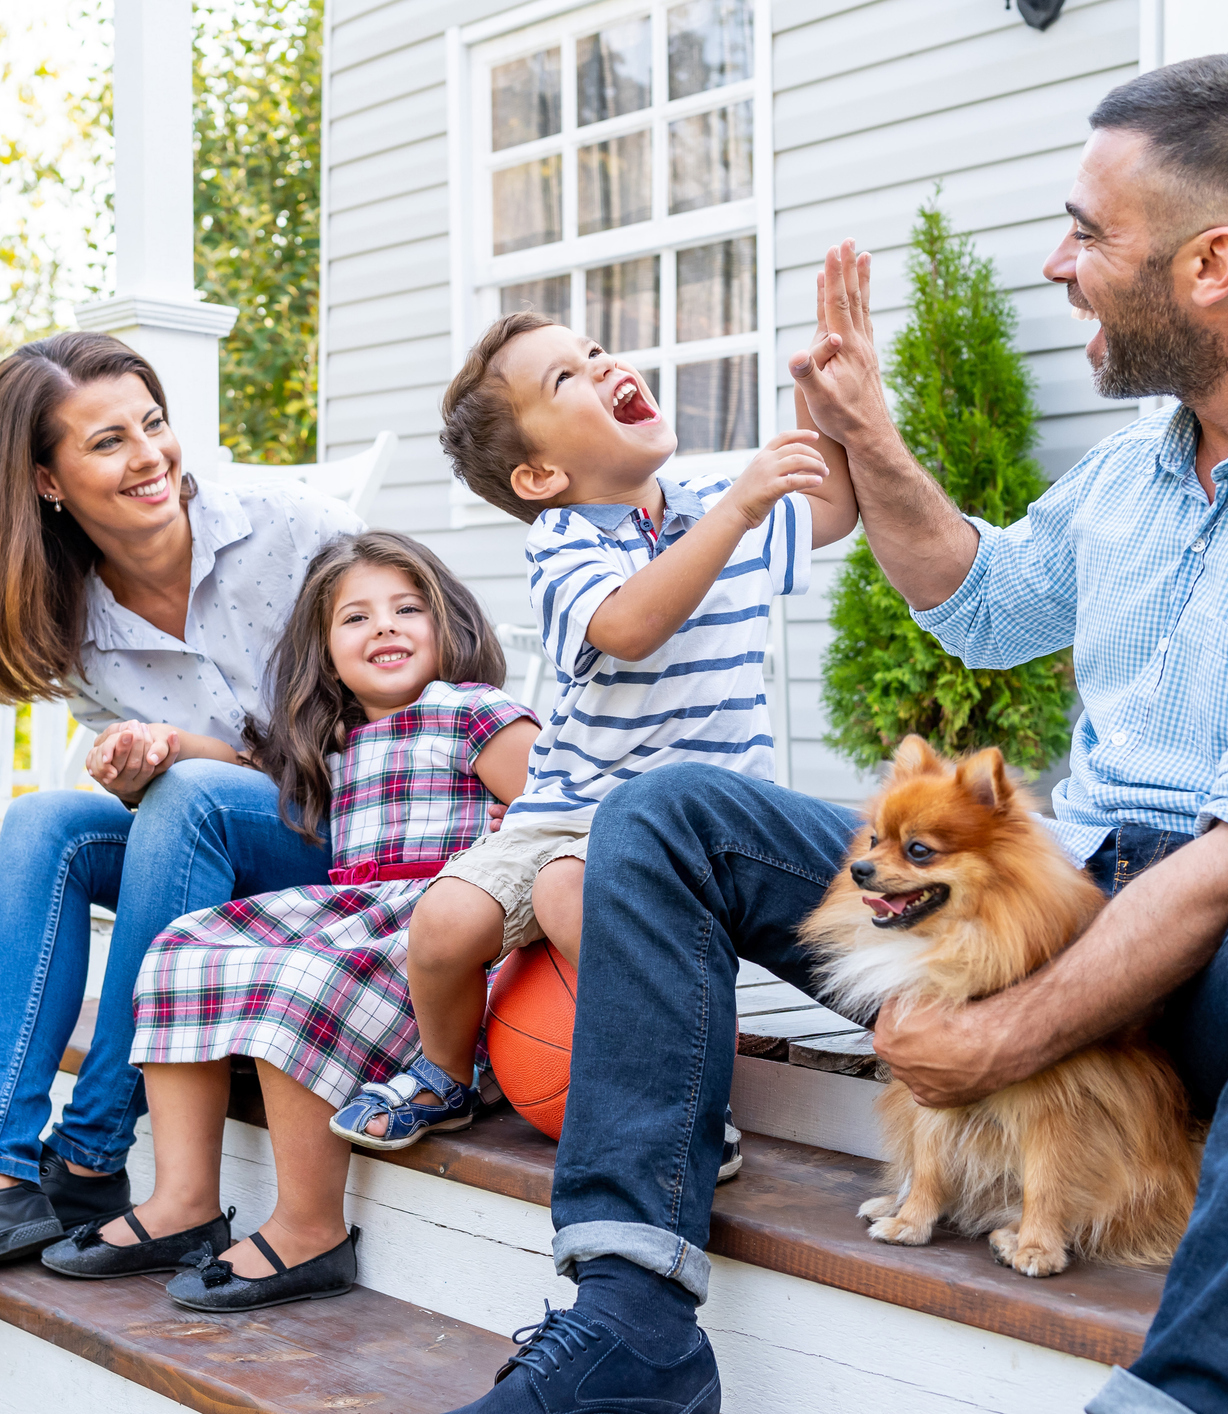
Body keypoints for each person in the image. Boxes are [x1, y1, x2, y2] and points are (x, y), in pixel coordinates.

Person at [438, 55, 1228, 1414]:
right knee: (669, 808)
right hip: (1059, 901)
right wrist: (867, 429)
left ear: (1211, 263)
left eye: (1089, 233)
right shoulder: (1152, 461)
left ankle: (1200, 1392)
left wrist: (998, 1035)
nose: (1055, 264)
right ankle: (627, 1312)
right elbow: (977, 598)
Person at [0, 331, 362, 1302]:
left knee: (186, 797)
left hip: (354, 829)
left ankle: (95, 1147)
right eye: (108, 442)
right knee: (46, 826)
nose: (150, 456)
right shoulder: (76, 623)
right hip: (218, 847)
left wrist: (185, 762)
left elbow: (413, 703)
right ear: (48, 480)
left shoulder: (293, 529)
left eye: (153, 424)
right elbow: (173, 821)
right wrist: (139, 766)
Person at [327, 316, 860, 1154]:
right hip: (565, 807)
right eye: (565, 379)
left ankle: (677, 1093)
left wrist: (824, 405)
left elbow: (832, 507)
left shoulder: (718, 498)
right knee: (440, 926)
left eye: (592, 353)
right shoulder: (565, 540)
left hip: (689, 824)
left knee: (571, 897)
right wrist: (740, 509)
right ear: (541, 475)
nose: (602, 363)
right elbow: (627, 624)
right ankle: (444, 1074)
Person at [36, 532, 537, 1311]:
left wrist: (511, 838)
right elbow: (242, 768)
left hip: (442, 949)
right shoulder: (336, 742)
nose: (384, 628)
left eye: (408, 609)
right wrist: (163, 745)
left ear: (450, 626)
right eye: (356, 618)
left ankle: (310, 1229)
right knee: (180, 949)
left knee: (296, 975)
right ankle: (183, 1203)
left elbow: (556, 816)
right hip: (360, 928)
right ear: (324, 652)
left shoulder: (472, 714)